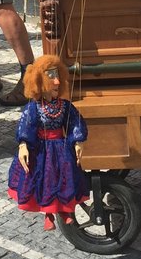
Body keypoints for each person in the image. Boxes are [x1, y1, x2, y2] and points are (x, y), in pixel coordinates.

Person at [7, 55, 88, 231]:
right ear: (39, 82)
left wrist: (78, 139)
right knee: (45, 181)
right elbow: (26, 126)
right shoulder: (34, 108)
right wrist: (23, 144)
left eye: (57, 75)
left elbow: (75, 121)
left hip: (61, 148)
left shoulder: (65, 106)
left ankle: (65, 211)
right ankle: (48, 214)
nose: (57, 82)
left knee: (65, 179)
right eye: (51, 76)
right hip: (42, 149)